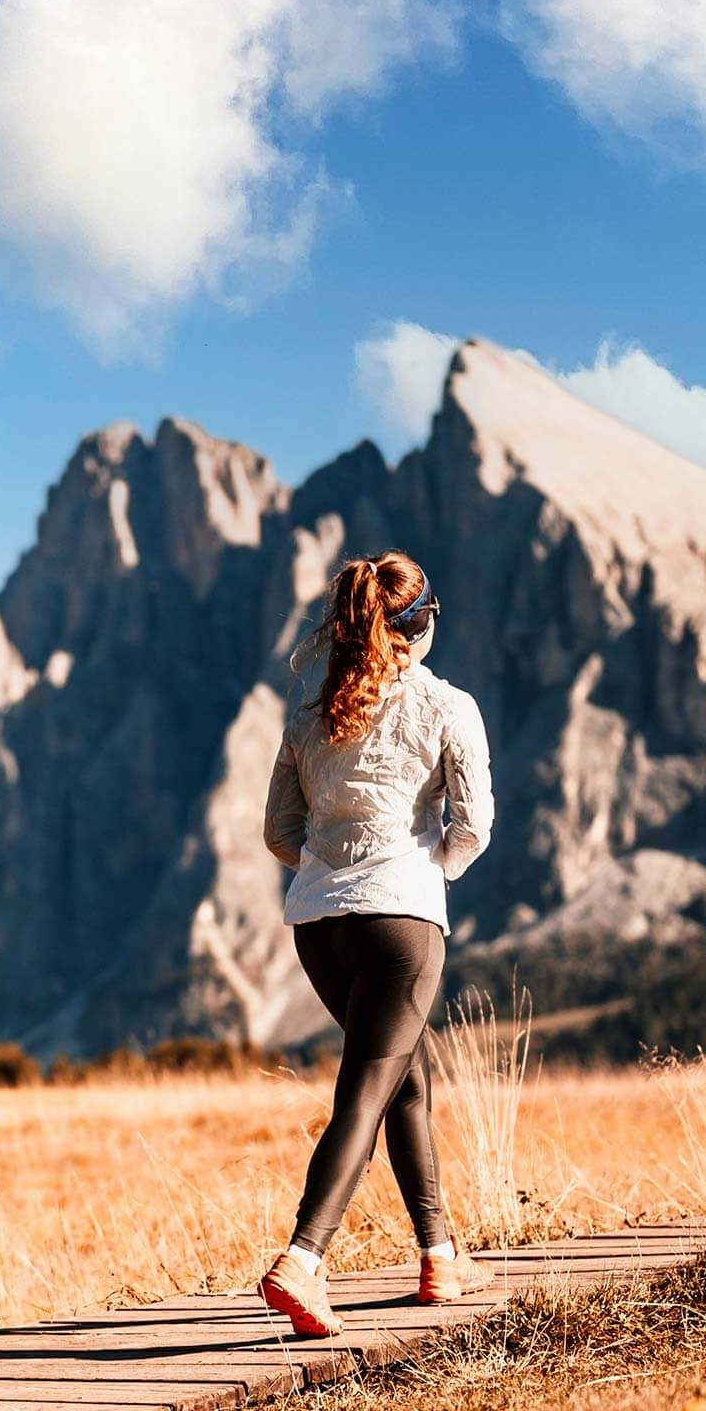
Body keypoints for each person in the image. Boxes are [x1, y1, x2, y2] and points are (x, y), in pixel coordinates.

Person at [257, 551, 497, 1337]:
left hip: (319, 928)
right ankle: (303, 1259)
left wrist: (333, 873)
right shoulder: (447, 706)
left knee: (405, 1080)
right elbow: (474, 825)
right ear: (422, 624)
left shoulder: (308, 717)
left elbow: (278, 834)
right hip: (403, 923)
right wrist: (428, 873)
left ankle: (439, 1255)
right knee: (366, 1089)